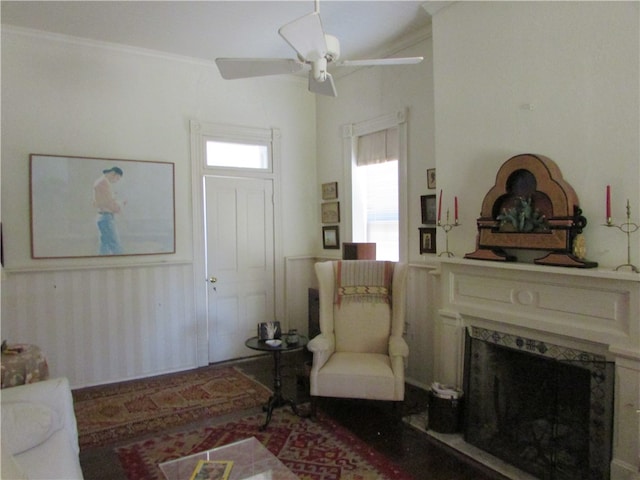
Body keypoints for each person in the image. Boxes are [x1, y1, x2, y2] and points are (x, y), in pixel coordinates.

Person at [93, 166, 125, 254]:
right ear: (113, 174)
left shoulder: (100, 182)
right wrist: (120, 205)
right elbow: (109, 203)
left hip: (103, 217)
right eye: (117, 178)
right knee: (115, 245)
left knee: (104, 246)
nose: (116, 181)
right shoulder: (103, 183)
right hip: (106, 217)